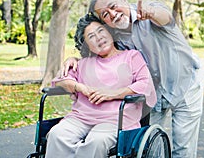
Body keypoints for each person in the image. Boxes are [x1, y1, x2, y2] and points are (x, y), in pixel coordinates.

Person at [62, 0, 204, 158]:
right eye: (105, 14)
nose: (113, 14)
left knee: (183, 148)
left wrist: (151, 12)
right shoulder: (114, 34)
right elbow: (99, 55)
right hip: (153, 93)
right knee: (149, 148)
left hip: (185, 84)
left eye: (113, 6)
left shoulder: (149, 11)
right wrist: (74, 61)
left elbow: (166, 18)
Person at [45, 13, 156, 158]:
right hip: (81, 118)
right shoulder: (83, 63)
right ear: (87, 45)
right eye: (91, 36)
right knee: (57, 134)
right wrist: (80, 87)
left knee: (97, 141)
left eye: (101, 31)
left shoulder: (131, 56)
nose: (98, 38)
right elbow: (60, 81)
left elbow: (145, 84)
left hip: (116, 120)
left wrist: (113, 93)